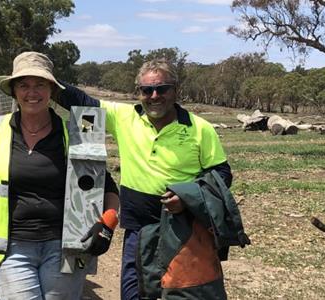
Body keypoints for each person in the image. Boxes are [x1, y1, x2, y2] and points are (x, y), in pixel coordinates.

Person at [0, 51, 121, 299]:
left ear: (51, 91)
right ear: (14, 91)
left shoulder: (77, 132)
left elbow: (107, 186)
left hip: (66, 247)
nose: (32, 93)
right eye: (24, 85)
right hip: (12, 249)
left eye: (40, 85)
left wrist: (109, 220)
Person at [54, 59, 233, 300]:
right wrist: (42, 77)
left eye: (162, 88)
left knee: (184, 293)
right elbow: (81, 100)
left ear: (175, 90)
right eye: (147, 90)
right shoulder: (124, 117)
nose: (154, 96)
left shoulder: (199, 129)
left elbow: (222, 174)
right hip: (137, 231)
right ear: (139, 93)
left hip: (184, 231)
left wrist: (187, 198)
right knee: (135, 293)